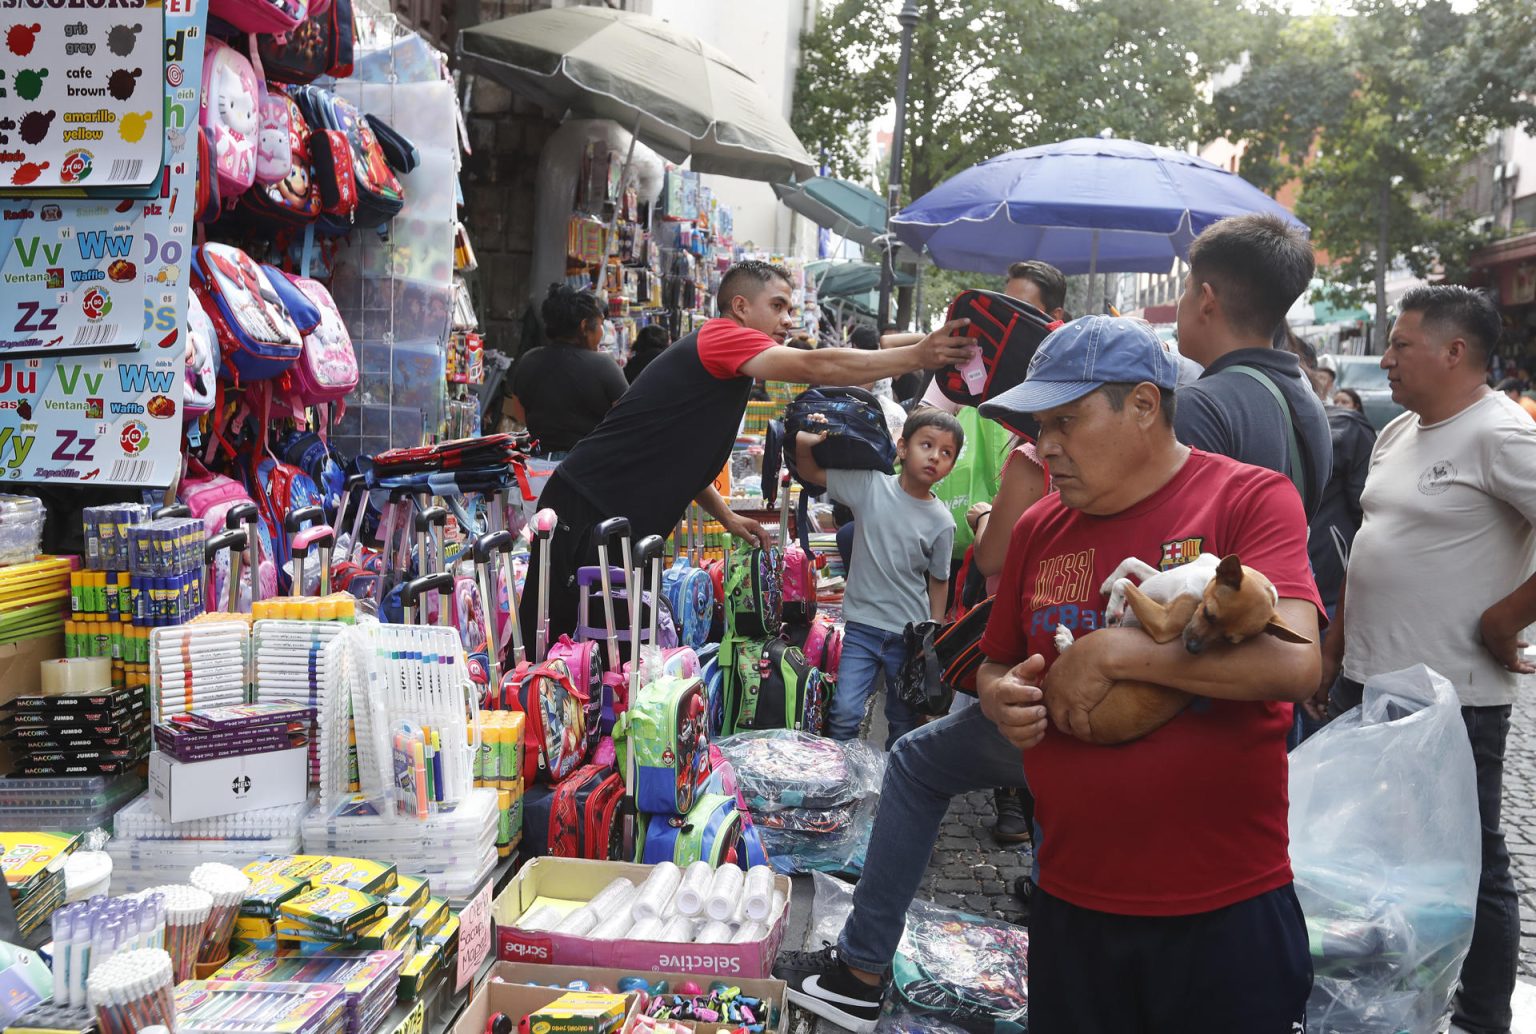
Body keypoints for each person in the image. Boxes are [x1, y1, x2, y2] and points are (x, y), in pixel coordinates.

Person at [775, 316, 1323, 1032]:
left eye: (1066, 421)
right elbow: (999, 658)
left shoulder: (1247, 498)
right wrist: (1001, 697)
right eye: (1040, 426)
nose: (1048, 446)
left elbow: (1296, 661)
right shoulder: (1039, 527)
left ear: (1145, 405)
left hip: (1219, 907)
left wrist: (1118, 653)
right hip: (1074, 906)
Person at [519, 260, 975, 648]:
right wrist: (919, 354)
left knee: (602, 655)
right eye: (777, 306)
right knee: (558, 653)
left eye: (790, 309)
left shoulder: (727, 369)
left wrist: (728, 518)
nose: (787, 319)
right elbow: (817, 365)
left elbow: (679, 455)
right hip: (586, 508)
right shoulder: (722, 338)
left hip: (620, 521)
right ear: (740, 307)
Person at [1315, 286, 1536, 1034]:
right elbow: (1369, 551)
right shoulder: (1397, 432)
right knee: (1368, 857)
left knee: (1468, 861)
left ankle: (1480, 1019)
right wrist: (1333, 648)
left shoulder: (1499, 434)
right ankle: (1385, 1006)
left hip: (1455, 694)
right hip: (1365, 681)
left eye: (1401, 345)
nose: (1386, 359)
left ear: (1456, 353)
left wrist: (1509, 615)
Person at [794, 409, 961, 748]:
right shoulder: (871, 486)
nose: (934, 457)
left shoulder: (943, 522)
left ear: (952, 465)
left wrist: (933, 633)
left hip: (908, 634)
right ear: (902, 448)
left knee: (902, 720)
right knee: (844, 713)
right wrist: (802, 441)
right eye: (926, 445)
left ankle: (894, 787)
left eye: (946, 453)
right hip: (862, 628)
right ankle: (841, 783)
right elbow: (809, 471)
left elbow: (939, 579)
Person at [1173, 214, 1331, 520]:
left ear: (1206, 299)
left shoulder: (1199, 406)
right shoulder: (1306, 394)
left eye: (1185, 288)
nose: (1181, 302)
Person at [509, 285, 629, 458]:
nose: (602, 332)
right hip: (589, 466)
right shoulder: (604, 365)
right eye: (601, 324)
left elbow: (520, 415)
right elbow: (627, 419)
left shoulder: (529, 360)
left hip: (538, 467)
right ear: (584, 325)